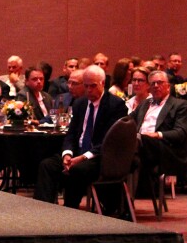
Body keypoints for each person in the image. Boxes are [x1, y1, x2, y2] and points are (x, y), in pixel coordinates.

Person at [33, 65, 127, 208]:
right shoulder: (80, 103)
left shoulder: (115, 105)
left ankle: (70, 210)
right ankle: (42, 210)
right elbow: (71, 134)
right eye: (86, 86)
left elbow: (110, 141)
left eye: (93, 86)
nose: (89, 90)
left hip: (99, 156)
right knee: (47, 165)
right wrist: (67, 154)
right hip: (77, 152)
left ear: (102, 83)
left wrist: (83, 157)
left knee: (77, 170)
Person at [131, 70, 187, 193]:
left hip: (166, 150)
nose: (156, 86)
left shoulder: (179, 105)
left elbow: (180, 133)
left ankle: (128, 195)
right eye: (152, 83)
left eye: (159, 83)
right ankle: (124, 196)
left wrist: (157, 135)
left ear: (168, 86)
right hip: (142, 148)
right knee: (128, 151)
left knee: (140, 142)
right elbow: (127, 121)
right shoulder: (144, 104)